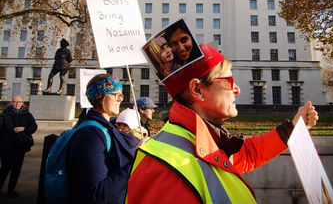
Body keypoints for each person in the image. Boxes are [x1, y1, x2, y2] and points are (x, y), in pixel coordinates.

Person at [126, 43, 319, 203]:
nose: (237, 89)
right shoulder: (165, 169)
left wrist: (293, 129)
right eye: (229, 80)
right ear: (198, 90)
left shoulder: (202, 139)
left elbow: (248, 154)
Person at [66, 74, 139, 203]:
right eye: (116, 95)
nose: (121, 99)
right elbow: (97, 193)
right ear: (101, 97)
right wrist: (136, 161)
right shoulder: (91, 135)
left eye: (121, 94)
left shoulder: (104, 127)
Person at [0, 95, 37, 198]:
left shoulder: (27, 115)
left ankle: (11, 190)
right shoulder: (4, 115)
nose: (17, 104)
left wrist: (24, 129)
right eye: (15, 102)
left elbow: (34, 127)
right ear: (11, 102)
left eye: (19, 102)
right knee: (4, 169)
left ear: (22, 103)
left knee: (16, 170)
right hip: (6, 147)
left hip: (20, 146)